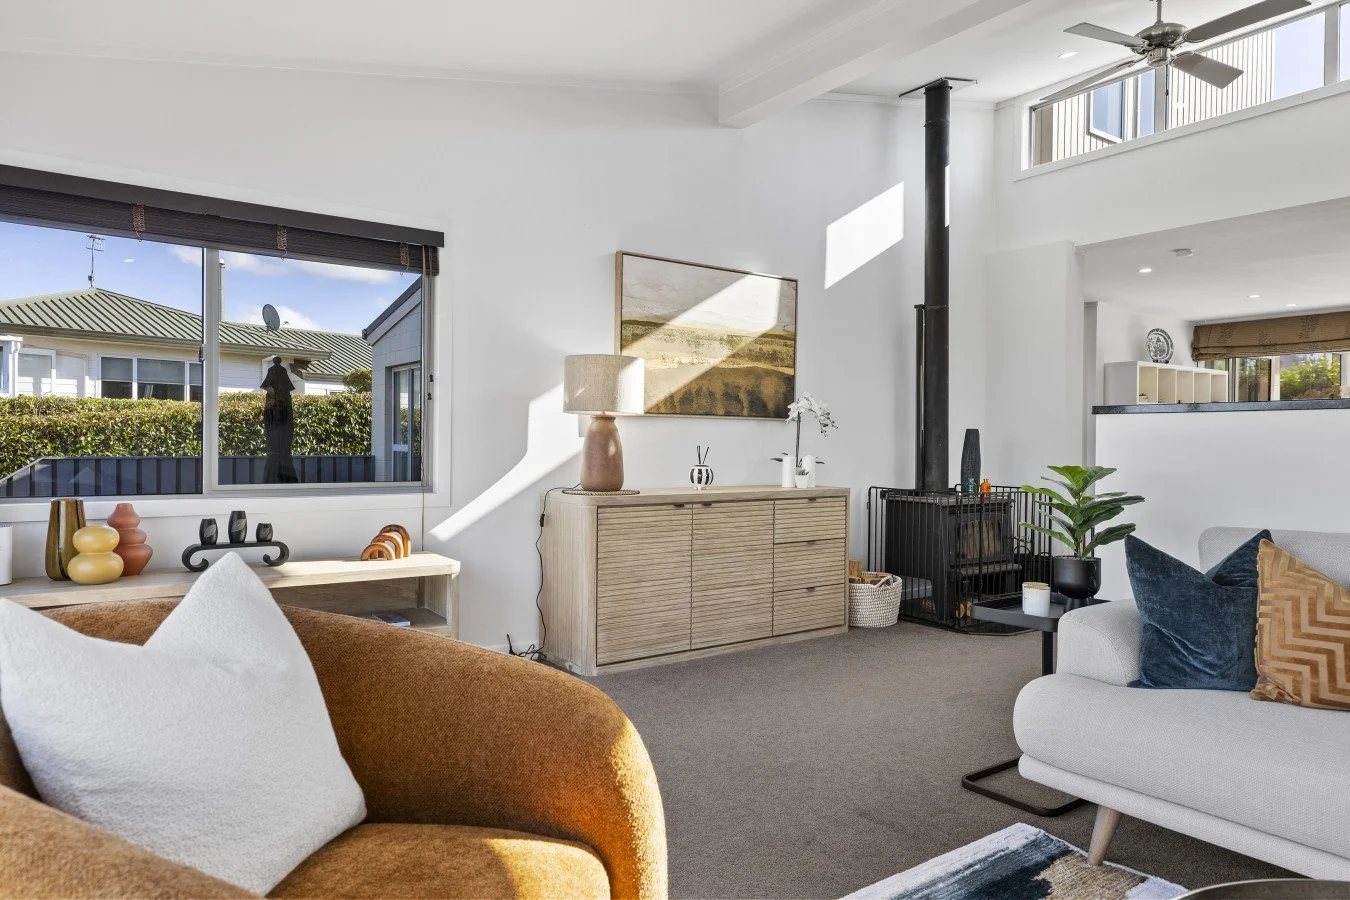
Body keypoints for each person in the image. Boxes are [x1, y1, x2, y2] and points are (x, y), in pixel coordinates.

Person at [261, 356, 299, 483]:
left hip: (281, 442)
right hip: (277, 444)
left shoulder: (280, 402)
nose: (270, 390)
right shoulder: (272, 404)